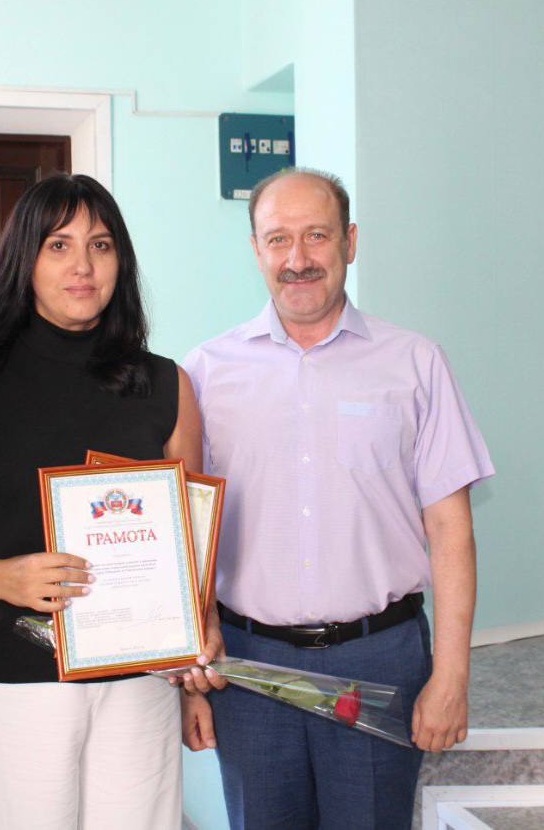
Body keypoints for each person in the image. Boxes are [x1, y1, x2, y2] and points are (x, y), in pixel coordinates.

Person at [0, 173, 211, 829]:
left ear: (120, 261)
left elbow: (191, 544)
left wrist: (196, 654)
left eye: (100, 244)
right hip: (11, 677)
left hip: (138, 679)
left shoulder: (168, 384)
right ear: (24, 259)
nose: (82, 265)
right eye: (59, 245)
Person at [180, 168, 495, 829]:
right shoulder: (205, 372)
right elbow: (185, 534)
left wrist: (451, 677)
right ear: (256, 250)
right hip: (247, 667)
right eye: (278, 239)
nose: (297, 258)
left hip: (379, 659)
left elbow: (450, 531)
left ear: (349, 241)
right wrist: (188, 677)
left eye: (316, 235)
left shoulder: (415, 363)